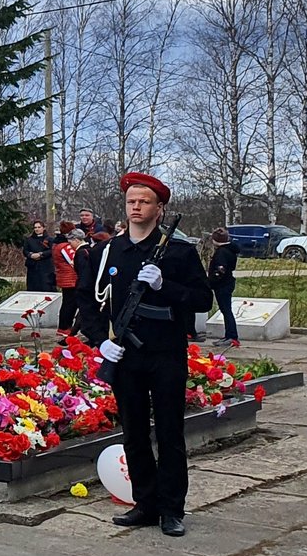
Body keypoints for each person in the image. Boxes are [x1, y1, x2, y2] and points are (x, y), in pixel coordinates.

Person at [80, 172, 211, 537]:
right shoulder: (109, 251)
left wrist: (164, 285)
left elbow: (203, 300)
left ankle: (172, 509)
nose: (136, 207)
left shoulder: (179, 252)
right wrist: (97, 340)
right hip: (125, 356)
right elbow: (88, 301)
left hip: (166, 354)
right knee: (133, 433)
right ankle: (145, 503)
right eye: (131, 202)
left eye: (144, 202)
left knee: (170, 432)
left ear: (160, 208)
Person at [205, 227, 241, 347]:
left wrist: (211, 282)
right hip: (228, 282)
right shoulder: (231, 250)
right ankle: (229, 335)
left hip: (222, 285)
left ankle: (232, 336)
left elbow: (220, 270)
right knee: (226, 310)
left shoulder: (221, 252)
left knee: (226, 310)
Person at [53, 224, 81, 334]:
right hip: (70, 279)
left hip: (66, 278)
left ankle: (64, 328)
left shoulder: (58, 244)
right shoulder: (65, 246)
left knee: (68, 304)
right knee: (69, 305)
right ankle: (64, 328)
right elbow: (73, 260)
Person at [22, 221, 55, 292]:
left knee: (46, 287)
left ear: (43, 228)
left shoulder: (50, 239)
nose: (37, 229)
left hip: (46, 267)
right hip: (33, 267)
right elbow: (25, 251)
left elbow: (52, 250)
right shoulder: (29, 240)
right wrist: (30, 255)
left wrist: (41, 254)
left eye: (39, 227)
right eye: (35, 227)